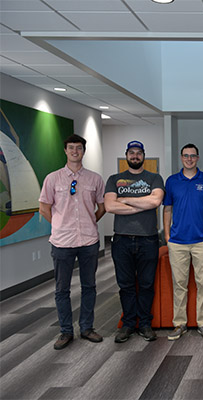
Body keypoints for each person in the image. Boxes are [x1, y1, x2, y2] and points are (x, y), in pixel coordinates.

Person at [39, 134, 106, 350]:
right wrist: (59, 224)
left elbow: (102, 206)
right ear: (65, 151)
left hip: (88, 240)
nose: (75, 151)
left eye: (78, 147)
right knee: (62, 289)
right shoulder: (53, 179)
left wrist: (89, 221)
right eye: (71, 148)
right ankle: (65, 331)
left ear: (83, 151)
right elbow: (44, 207)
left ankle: (87, 327)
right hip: (62, 242)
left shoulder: (95, 179)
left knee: (89, 286)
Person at [104, 140, 164, 343]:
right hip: (121, 240)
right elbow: (110, 206)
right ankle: (129, 323)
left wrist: (124, 200)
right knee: (126, 285)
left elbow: (155, 202)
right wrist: (141, 204)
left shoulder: (154, 178)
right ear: (126, 155)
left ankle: (145, 324)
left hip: (148, 239)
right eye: (132, 153)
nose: (135, 156)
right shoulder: (114, 179)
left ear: (144, 156)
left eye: (139, 153)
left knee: (147, 284)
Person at [163, 144, 203, 341]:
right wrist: (167, 237)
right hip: (177, 242)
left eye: (193, 156)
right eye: (186, 155)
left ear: (198, 158)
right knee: (180, 284)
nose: (189, 159)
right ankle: (179, 323)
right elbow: (167, 210)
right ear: (181, 157)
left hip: (202, 240)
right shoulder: (171, 181)